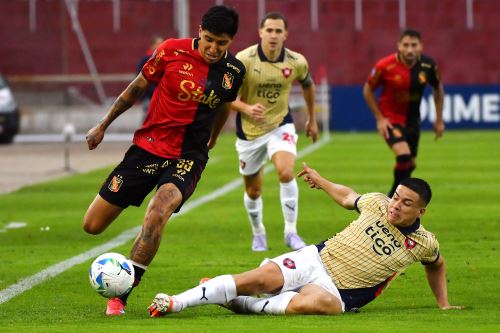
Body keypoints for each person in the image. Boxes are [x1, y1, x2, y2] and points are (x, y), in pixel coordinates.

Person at [82, 5, 245, 316]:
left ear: (230, 42)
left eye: (221, 43)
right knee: (92, 225)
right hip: (148, 148)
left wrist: (213, 136)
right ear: (199, 31)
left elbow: (225, 105)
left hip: (188, 155)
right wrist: (103, 125)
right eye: (209, 39)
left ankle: (121, 294)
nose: (213, 48)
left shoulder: (233, 72)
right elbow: (137, 88)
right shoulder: (169, 51)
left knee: (159, 210)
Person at [147, 163, 464, 317]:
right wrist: (321, 180)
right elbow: (347, 197)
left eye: (405, 203)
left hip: (338, 292)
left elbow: (436, 265)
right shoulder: (377, 203)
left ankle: (238, 302)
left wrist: (443, 303)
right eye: (396, 197)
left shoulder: (424, 243)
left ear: (421, 210)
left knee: (324, 306)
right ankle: (176, 301)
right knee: (259, 278)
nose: (395, 205)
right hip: (316, 258)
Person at [231, 12, 318, 252]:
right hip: (249, 132)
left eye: (278, 31)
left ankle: (291, 231)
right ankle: (258, 233)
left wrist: (312, 119)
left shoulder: (296, 61)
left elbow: (309, 86)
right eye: (269, 30)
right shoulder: (244, 59)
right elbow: (227, 98)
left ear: (285, 35)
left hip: (281, 125)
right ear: (260, 32)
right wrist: (246, 107)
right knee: (253, 189)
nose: (273, 35)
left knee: (286, 172)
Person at [363, 29, 445, 197]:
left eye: (413, 45)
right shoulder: (385, 66)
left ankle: (401, 201)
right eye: (405, 45)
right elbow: (368, 90)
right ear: (398, 46)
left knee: (411, 163)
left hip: (413, 121)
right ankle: (391, 198)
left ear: (421, 46)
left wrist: (438, 120)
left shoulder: (428, 66)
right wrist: (380, 118)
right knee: (404, 155)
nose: (409, 50)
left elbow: (438, 89)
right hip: (391, 119)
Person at [136, 35, 164, 118]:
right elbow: (140, 77)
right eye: (159, 43)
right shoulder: (145, 60)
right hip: (148, 96)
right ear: (152, 45)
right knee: (147, 117)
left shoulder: (164, 59)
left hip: (160, 96)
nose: (161, 45)